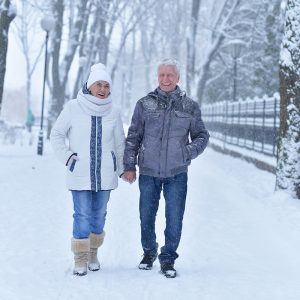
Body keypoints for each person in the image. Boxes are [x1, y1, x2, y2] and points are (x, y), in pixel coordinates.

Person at [123, 58, 209, 278]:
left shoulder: (189, 106)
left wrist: (186, 152)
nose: (165, 79)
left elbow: (202, 136)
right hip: (149, 172)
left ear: (178, 78)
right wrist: (129, 165)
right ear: (157, 77)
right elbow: (133, 136)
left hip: (176, 174)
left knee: (174, 217)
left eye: (170, 75)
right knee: (146, 215)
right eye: (162, 75)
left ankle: (168, 258)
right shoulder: (144, 104)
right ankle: (149, 252)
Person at [50, 63, 125, 276]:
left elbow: (120, 143)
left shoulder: (114, 111)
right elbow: (56, 135)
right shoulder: (74, 107)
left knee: (99, 215)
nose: (102, 89)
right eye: (98, 84)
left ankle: (93, 252)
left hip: (105, 175)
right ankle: (80, 258)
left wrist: (122, 168)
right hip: (80, 173)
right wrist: (68, 158)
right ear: (89, 86)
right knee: (82, 215)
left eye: (106, 85)